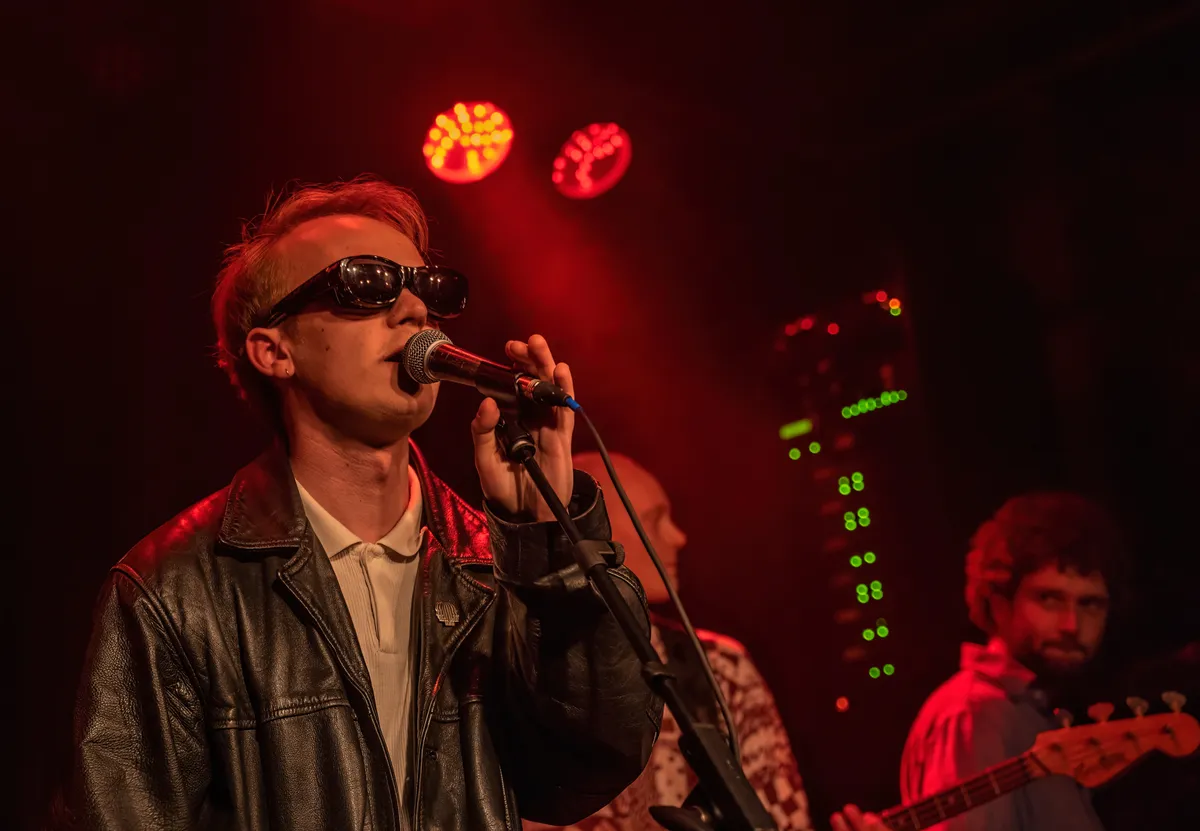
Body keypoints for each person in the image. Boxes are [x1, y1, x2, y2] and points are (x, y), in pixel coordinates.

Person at [63, 177, 662, 830]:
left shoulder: (494, 566)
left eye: (427, 288)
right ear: (274, 350)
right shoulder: (172, 590)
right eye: (366, 284)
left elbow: (590, 764)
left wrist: (549, 540)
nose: (414, 311)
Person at [526, 451, 815, 830]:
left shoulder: (721, 668)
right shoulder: (521, 672)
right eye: (654, 520)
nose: (679, 537)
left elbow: (783, 819)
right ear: (591, 536)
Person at [872, 491, 1123, 831]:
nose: (1071, 625)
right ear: (998, 601)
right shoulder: (976, 714)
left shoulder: (1029, 710)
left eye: (1090, 604)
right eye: (1049, 598)